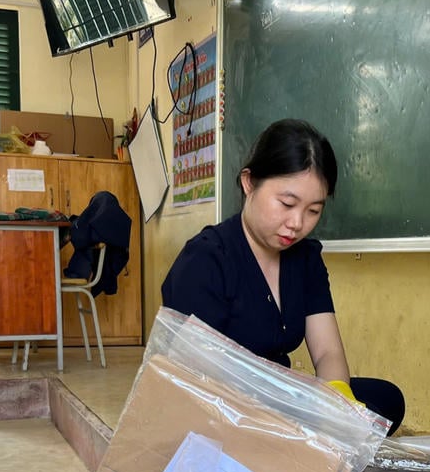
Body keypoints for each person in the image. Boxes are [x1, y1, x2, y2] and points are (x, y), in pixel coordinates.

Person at [161, 118, 405, 434]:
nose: (297, 223)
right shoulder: (206, 259)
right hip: (223, 411)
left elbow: (328, 352)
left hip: (282, 401)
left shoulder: (305, 259)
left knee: (384, 400)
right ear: (249, 183)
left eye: (313, 211)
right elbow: (194, 378)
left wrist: (336, 406)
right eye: (287, 203)